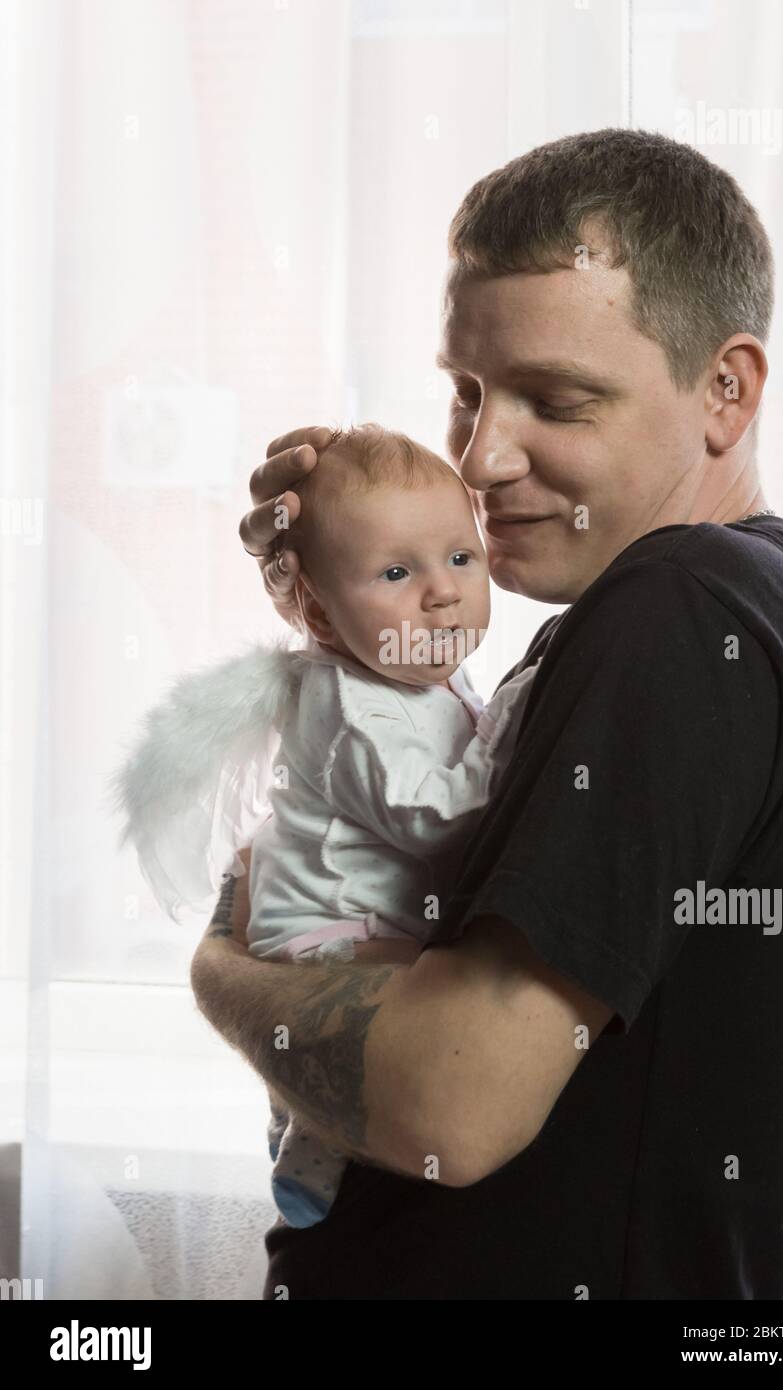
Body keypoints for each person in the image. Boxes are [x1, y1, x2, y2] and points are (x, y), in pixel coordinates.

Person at [191, 128, 783, 1299]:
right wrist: (334, 599)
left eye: (554, 399)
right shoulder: (732, 616)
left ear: (725, 389)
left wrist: (212, 968)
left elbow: (451, 1096)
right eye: (464, 390)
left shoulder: (684, 605)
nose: (481, 452)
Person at [112, 424, 536, 1233]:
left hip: (349, 915)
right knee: (397, 1005)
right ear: (320, 612)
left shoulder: (416, 669)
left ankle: (305, 1135)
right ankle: (308, 1146)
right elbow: (439, 818)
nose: (443, 591)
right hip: (328, 931)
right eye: (396, 571)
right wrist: (516, 713)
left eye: (460, 557)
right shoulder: (350, 706)